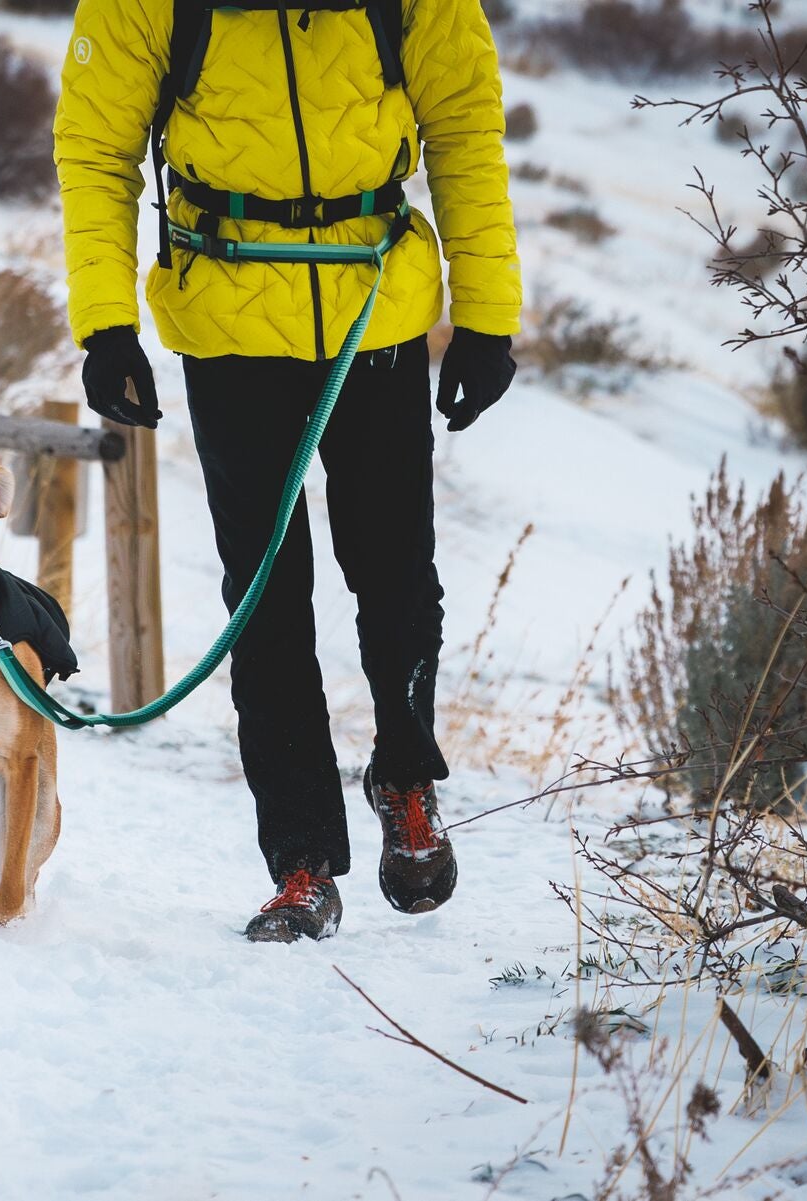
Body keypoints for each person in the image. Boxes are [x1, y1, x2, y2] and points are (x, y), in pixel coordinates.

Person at [55, 0, 521, 941]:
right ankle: (303, 860)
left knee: (396, 580)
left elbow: (464, 126)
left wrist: (487, 315)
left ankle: (405, 775)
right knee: (266, 600)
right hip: (227, 324)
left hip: (378, 316)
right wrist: (104, 326)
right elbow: (95, 146)